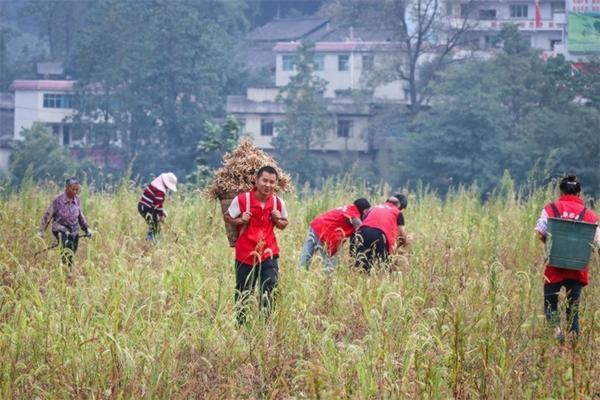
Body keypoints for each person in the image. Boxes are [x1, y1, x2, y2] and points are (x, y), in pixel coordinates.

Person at [535, 174, 599, 344]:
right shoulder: (590, 216)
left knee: (550, 308)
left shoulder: (550, 209)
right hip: (577, 271)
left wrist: (549, 243)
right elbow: (597, 243)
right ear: (579, 194)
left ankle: (557, 336)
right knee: (573, 313)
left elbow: (540, 231)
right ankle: (573, 351)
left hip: (554, 268)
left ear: (560, 191)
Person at [224, 166, 289, 324]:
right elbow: (227, 217)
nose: (268, 185)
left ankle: (266, 326)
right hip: (245, 253)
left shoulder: (278, 202)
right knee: (243, 291)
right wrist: (241, 220)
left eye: (272, 182)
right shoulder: (242, 200)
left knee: (269, 288)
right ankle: (241, 327)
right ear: (256, 181)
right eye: (264, 180)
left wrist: (277, 219)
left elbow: (284, 224)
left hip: (269, 252)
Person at [299, 198, 371, 273]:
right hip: (324, 233)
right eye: (367, 212)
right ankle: (328, 283)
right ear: (363, 210)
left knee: (305, 257)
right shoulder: (354, 216)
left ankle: (299, 276)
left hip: (315, 225)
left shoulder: (349, 208)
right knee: (330, 264)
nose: (367, 215)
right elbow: (362, 232)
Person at [38, 177, 92, 267]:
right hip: (60, 228)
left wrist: (86, 229)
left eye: (77, 190)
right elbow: (48, 214)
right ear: (66, 188)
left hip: (74, 229)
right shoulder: (58, 200)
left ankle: (66, 268)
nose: (75, 192)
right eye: (73, 189)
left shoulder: (77, 200)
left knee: (72, 249)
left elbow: (80, 215)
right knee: (67, 245)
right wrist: (41, 230)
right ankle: (65, 269)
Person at [352, 194, 408, 272]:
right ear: (399, 206)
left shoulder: (374, 208)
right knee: (383, 267)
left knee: (362, 267)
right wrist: (405, 245)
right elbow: (402, 235)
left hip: (362, 232)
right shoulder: (398, 212)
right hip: (379, 235)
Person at [138, 172, 177, 242]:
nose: (167, 188)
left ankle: (149, 242)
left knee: (154, 226)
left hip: (143, 206)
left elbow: (157, 203)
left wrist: (161, 212)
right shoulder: (160, 190)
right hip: (146, 208)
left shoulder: (156, 184)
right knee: (155, 227)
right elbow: (158, 204)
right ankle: (150, 243)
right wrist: (161, 215)